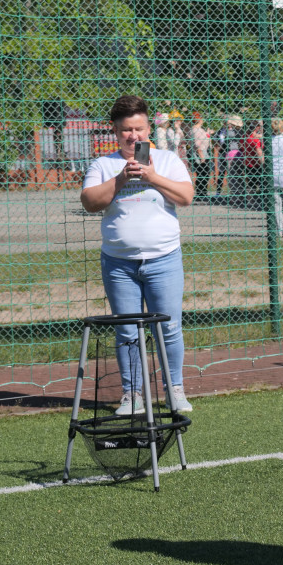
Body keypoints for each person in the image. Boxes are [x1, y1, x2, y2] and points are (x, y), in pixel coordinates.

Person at [79, 94, 194, 415]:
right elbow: (89, 202)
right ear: (115, 132)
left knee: (168, 328)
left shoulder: (168, 160)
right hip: (119, 264)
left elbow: (186, 197)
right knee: (127, 330)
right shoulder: (104, 164)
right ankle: (132, 395)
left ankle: (175, 390)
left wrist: (152, 176)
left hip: (164, 260)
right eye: (126, 130)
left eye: (139, 128)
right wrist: (121, 178)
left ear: (148, 129)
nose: (134, 136)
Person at [188, 112, 212, 199]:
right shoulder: (198, 130)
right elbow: (198, 144)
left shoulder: (192, 130)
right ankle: (202, 193)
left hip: (197, 153)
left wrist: (207, 133)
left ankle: (201, 192)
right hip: (201, 153)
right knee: (204, 174)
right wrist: (202, 156)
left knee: (201, 174)